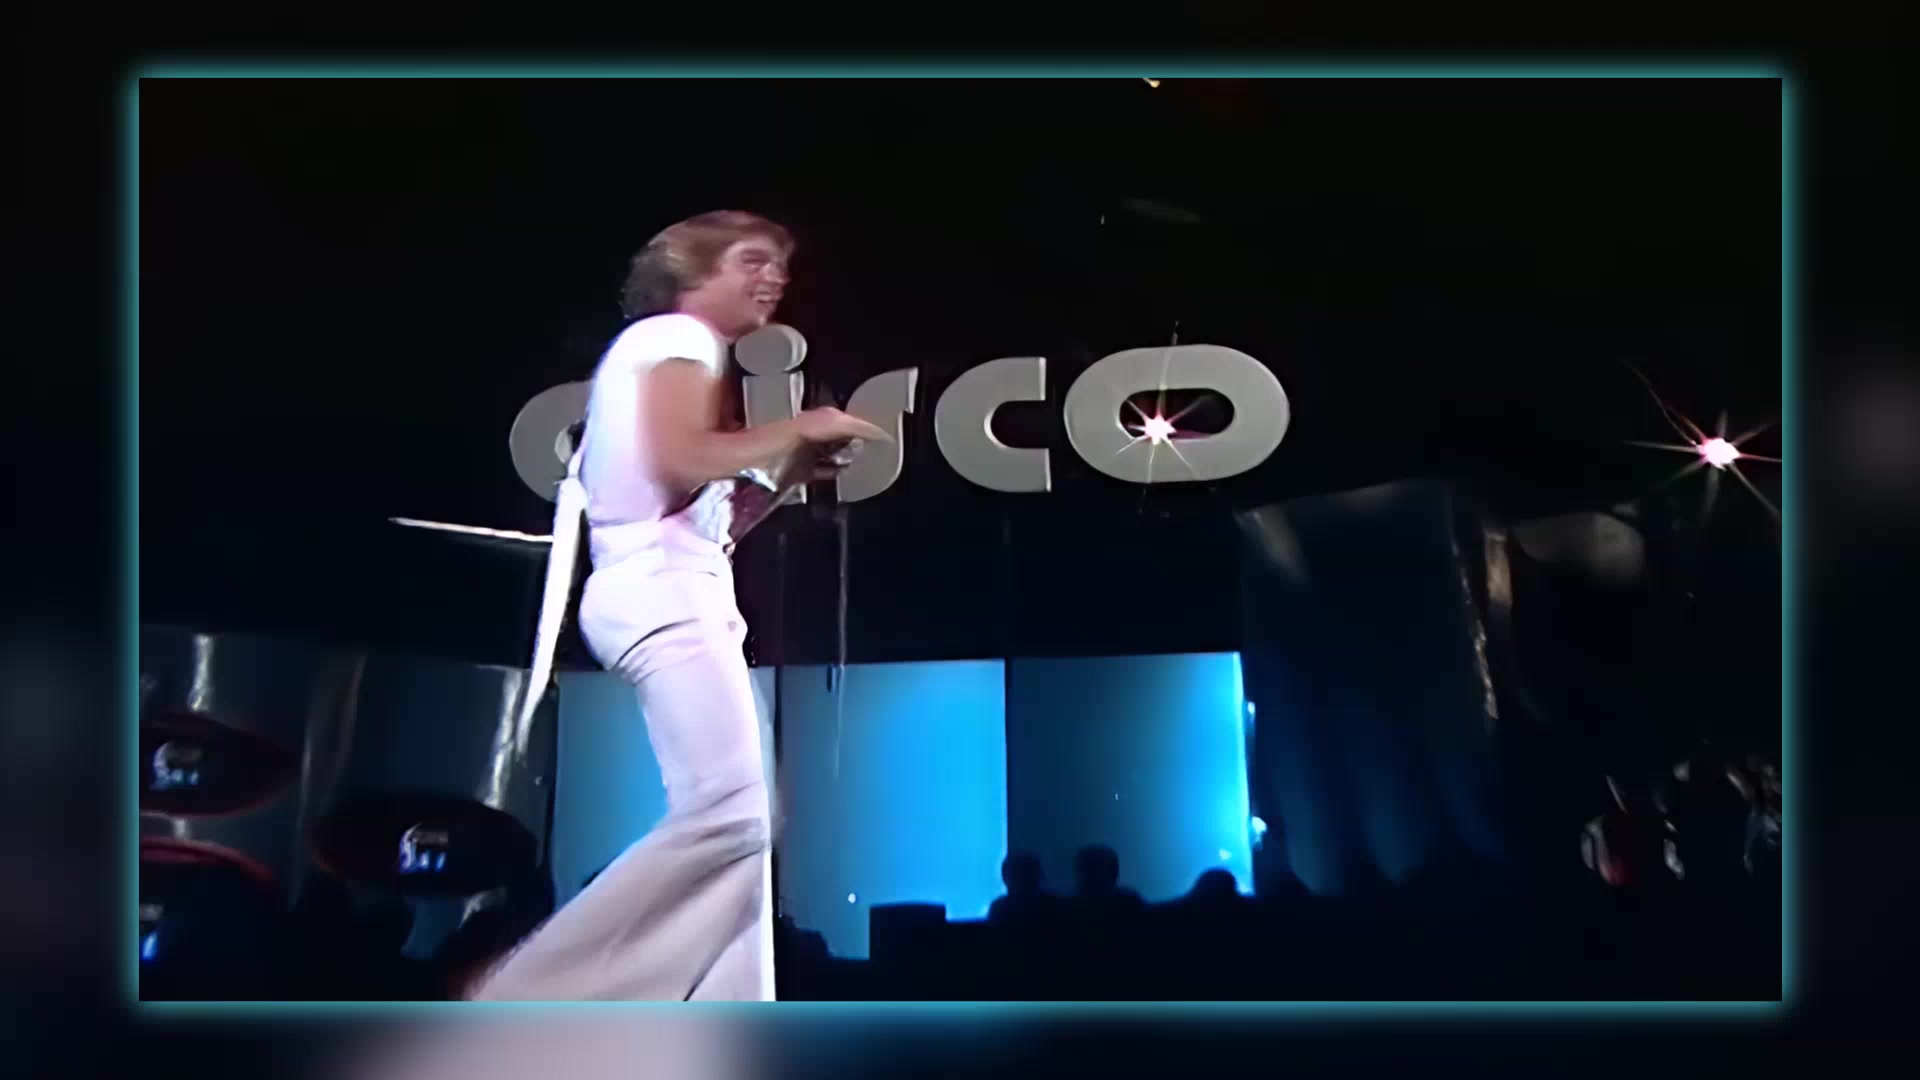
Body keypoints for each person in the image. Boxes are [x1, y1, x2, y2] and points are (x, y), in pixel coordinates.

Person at [470, 211, 887, 1001]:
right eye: (752, 261)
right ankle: (525, 998)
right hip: (660, 589)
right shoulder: (678, 338)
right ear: (693, 272)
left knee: (740, 838)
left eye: (781, 265)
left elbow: (699, 515)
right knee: (732, 818)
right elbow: (683, 457)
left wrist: (789, 472)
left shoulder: (663, 351)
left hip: (669, 585)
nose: (775, 278)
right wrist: (799, 426)